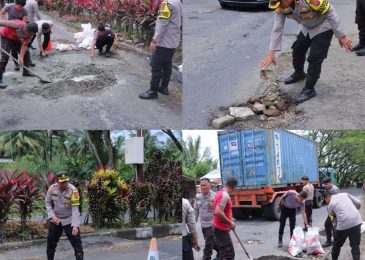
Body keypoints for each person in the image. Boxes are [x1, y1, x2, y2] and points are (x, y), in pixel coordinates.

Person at [259, 0, 352, 103]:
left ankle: (309, 89)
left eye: (280, 3)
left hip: (323, 26)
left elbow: (330, 11)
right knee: (297, 49)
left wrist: (341, 36)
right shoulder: (281, 7)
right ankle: (299, 73)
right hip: (307, 27)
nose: (279, 6)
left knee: (315, 57)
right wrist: (271, 54)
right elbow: (277, 28)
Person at [139, 0, 182, 99]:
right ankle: (163, 87)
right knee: (167, 64)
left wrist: (154, 40)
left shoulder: (167, 4)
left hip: (164, 41)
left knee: (156, 65)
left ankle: (153, 91)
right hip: (173, 41)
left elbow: (162, 23)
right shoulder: (178, 2)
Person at [45, 172, 84, 260]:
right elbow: (47, 202)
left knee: (77, 244)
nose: (65, 184)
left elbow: (75, 209)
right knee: (51, 243)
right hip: (56, 219)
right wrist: (51, 216)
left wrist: (75, 225)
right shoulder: (52, 188)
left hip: (69, 220)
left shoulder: (73, 190)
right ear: (57, 182)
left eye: (66, 181)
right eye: (62, 182)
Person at [324, 190, 362, 260]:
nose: (326, 202)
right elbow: (359, 203)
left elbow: (334, 221)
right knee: (355, 245)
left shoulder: (330, 205)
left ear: (327, 197)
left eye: (325, 200)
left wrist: (336, 234)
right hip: (357, 221)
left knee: (336, 246)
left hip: (343, 224)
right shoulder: (345, 194)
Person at [0, 20, 38, 89]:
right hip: (6, 37)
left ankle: (26, 72)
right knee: (5, 57)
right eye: (31, 34)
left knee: (26, 53)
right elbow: (1, 22)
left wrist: (21, 57)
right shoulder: (15, 25)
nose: (32, 36)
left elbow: (24, 45)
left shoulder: (30, 34)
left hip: (16, 38)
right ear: (26, 30)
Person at [0, 0, 30, 71]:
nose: (20, 8)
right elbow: (1, 13)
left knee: (25, 52)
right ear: (15, 3)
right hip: (9, 30)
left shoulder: (25, 10)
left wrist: (22, 31)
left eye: (22, 6)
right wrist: (6, 22)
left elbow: (24, 23)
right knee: (5, 56)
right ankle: (1, 74)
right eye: (19, 6)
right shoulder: (9, 6)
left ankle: (26, 71)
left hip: (19, 29)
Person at [194, 178, 220, 260]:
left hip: (212, 224)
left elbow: (219, 211)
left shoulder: (215, 196)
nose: (202, 187)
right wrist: (193, 223)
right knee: (211, 241)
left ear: (209, 185)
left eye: (204, 185)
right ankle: (221, 251)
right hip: (203, 225)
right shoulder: (198, 197)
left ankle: (206, 257)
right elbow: (195, 210)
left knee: (208, 243)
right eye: (201, 185)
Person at [213, 177, 238, 260]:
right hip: (221, 229)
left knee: (223, 253)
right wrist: (230, 223)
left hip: (219, 227)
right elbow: (218, 212)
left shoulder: (219, 193)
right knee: (229, 254)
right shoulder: (224, 195)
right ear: (234, 187)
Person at [322, 176, 341, 247]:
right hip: (332, 211)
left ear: (330, 183)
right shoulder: (329, 188)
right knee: (332, 224)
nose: (325, 186)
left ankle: (331, 241)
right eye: (324, 185)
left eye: (326, 184)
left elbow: (335, 201)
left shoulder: (334, 190)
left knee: (328, 224)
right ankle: (334, 240)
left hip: (335, 211)